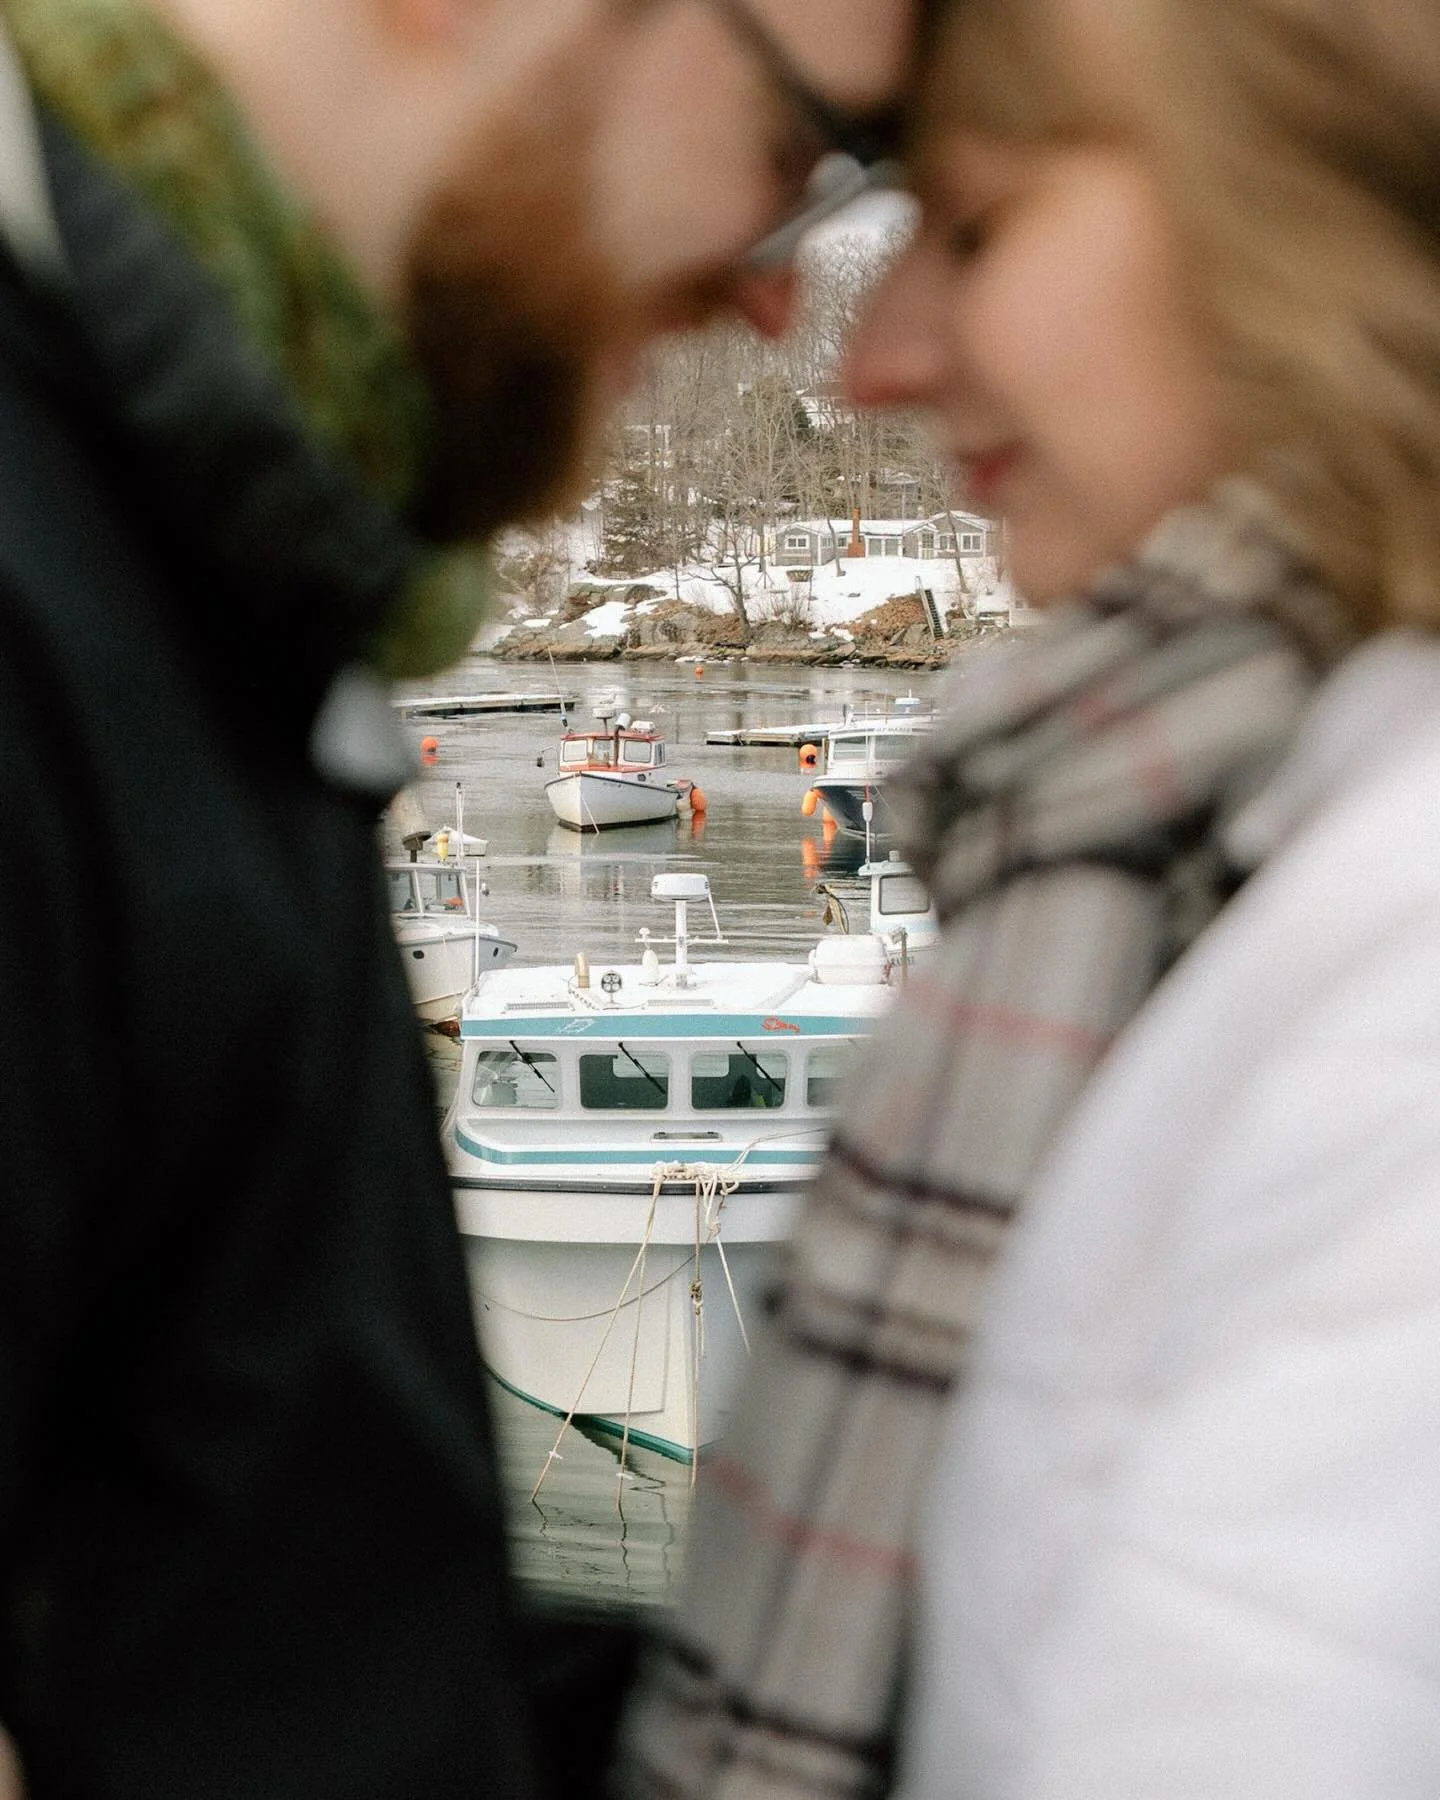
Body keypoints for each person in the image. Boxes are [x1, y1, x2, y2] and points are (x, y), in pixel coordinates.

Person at [0, 0, 932, 1794]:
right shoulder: (60, 605)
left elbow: (282, 1596)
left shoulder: (201, 586)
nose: (789, 300)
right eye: (801, 145)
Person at [616, 1, 1440, 1796]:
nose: (874, 359)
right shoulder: (1207, 836)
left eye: (977, 229)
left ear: (1297, 205)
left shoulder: (1395, 949)